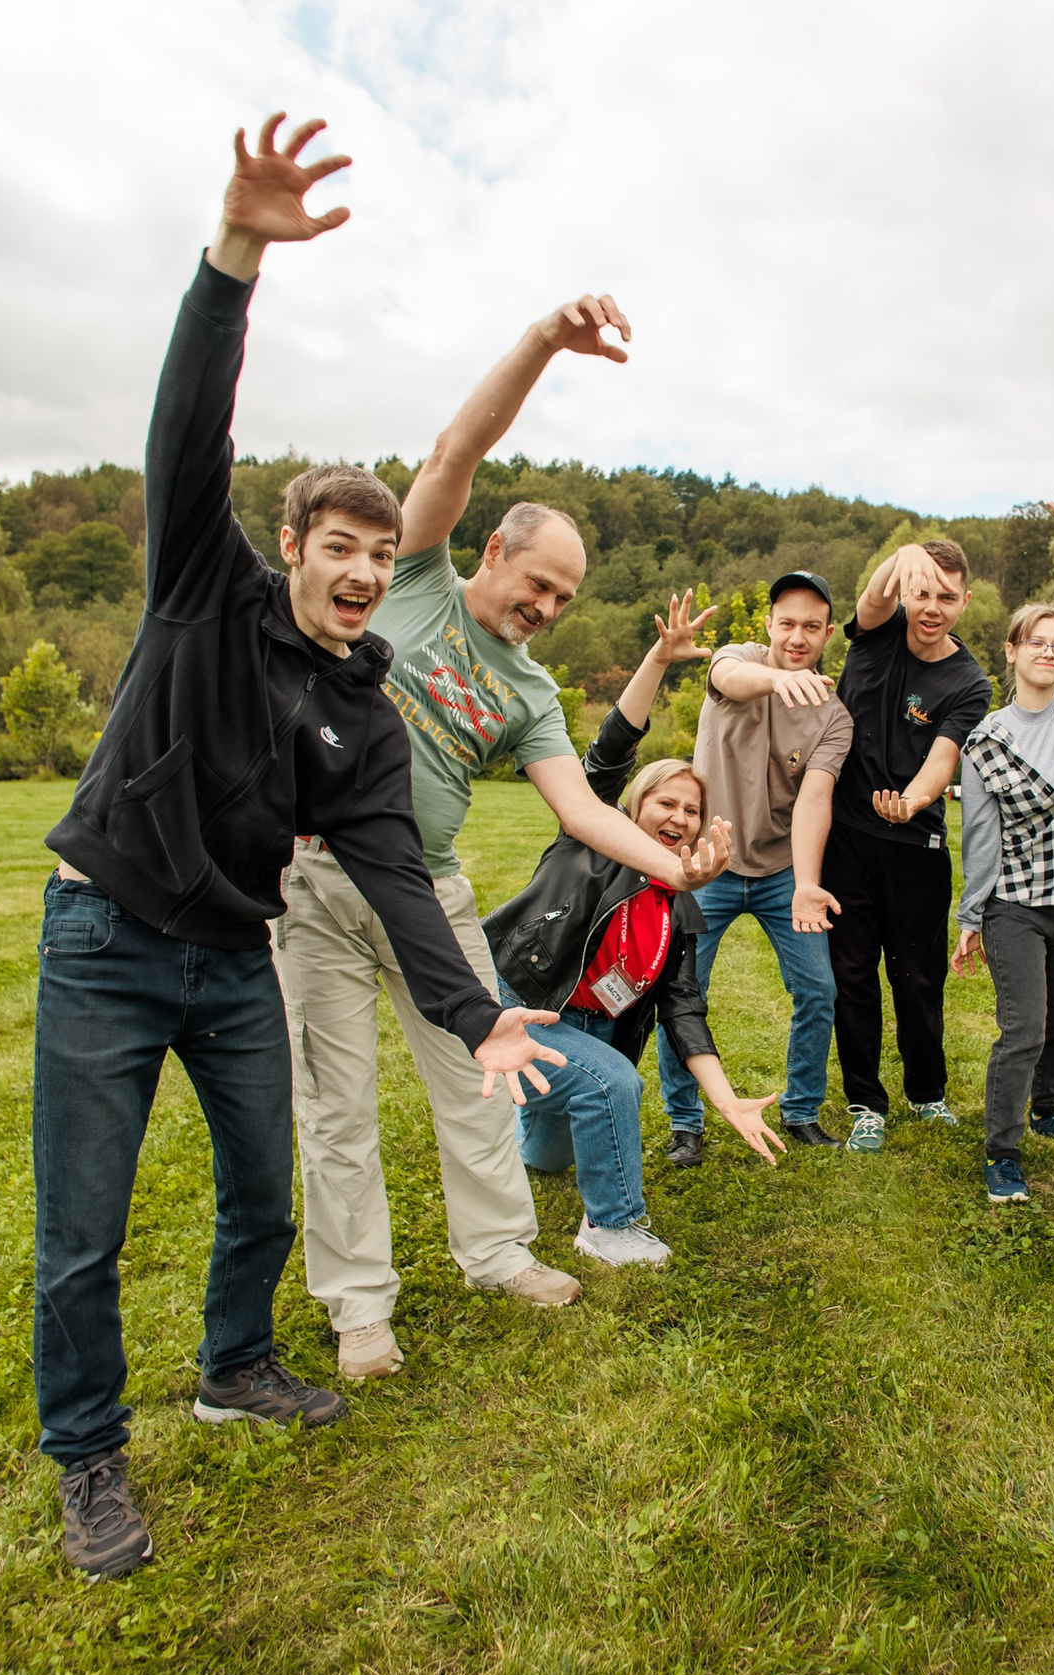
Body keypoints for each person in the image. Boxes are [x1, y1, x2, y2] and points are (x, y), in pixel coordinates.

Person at [33, 116, 561, 1582]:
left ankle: (232, 1363)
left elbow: (396, 874)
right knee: (81, 1227)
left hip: (228, 958)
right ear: (294, 543)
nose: (359, 572)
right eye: (339, 545)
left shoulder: (363, 709)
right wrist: (238, 257)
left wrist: (473, 1008)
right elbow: (183, 431)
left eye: (381, 560)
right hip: (107, 939)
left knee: (266, 1188)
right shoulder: (205, 588)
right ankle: (87, 1456)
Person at [274, 283, 728, 1383]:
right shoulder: (414, 579)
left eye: (564, 600)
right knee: (336, 1110)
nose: (544, 608)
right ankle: (359, 1309)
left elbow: (578, 807)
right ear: (491, 553)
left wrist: (677, 863)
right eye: (537, 584)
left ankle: (497, 1252)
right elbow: (451, 450)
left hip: (431, 894)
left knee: (491, 1071)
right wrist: (540, 344)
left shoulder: (527, 688)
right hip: (319, 887)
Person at [486, 632, 789, 1265]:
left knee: (544, 1158)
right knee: (613, 1084)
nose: (678, 818)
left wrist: (726, 1098)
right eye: (665, 802)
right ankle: (612, 1228)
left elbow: (683, 1010)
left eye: (691, 811)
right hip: (527, 1002)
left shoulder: (680, 906)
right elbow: (612, 746)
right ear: (634, 804)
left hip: (593, 1027)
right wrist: (656, 658)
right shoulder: (591, 833)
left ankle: (528, 1124)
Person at [951, 475, 1054, 1204]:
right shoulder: (984, 742)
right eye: (1036, 642)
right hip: (1015, 905)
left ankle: (1049, 1112)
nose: (1050, 652)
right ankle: (1001, 1153)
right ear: (1012, 651)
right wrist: (970, 918)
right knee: (1024, 1027)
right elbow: (979, 838)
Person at [656, 570, 854, 1160]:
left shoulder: (834, 717)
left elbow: (815, 799)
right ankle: (685, 1121)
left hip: (779, 873)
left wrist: (806, 885)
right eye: (787, 623)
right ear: (769, 624)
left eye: (812, 627)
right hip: (706, 866)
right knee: (683, 991)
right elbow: (728, 676)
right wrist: (775, 679)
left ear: (827, 635)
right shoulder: (739, 660)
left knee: (818, 989)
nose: (798, 636)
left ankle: (800, 1110)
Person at [825, 541, 994, 1150]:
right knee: (851, 974)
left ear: (965, 602)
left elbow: (945, 755)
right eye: (922, 593)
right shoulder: (876, 633)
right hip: (843, 837)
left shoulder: (969, 681)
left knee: (919, 978)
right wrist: (900, 558)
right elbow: (870, 599)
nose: (932, 608)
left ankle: (928, 1094)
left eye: (947, 598)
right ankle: (865, 1102)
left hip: (915, 845)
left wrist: (916, 800)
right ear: (905, 591)